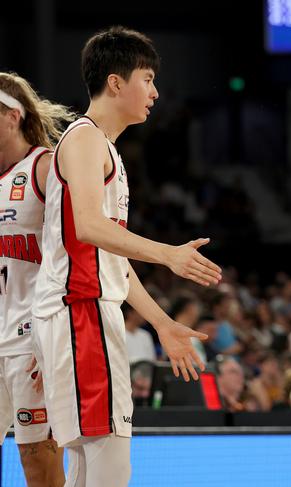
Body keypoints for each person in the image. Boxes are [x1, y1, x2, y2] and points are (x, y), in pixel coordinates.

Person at [30, 27, 222, 487]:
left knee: (93, 464)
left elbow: (108, 256)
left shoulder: (105, 149)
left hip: (90, 312)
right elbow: (88, 228)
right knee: (110, 462)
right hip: (78, 312)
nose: (155, 92)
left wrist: (162, 322)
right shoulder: (84, 140)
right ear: (116, 83)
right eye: (148, 78)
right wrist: (168, 255)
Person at [0, 71, 72, 487]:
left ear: (12, 116)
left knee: (38, 466)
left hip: (32, 341)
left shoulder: (44, 167)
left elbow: (85, 242)